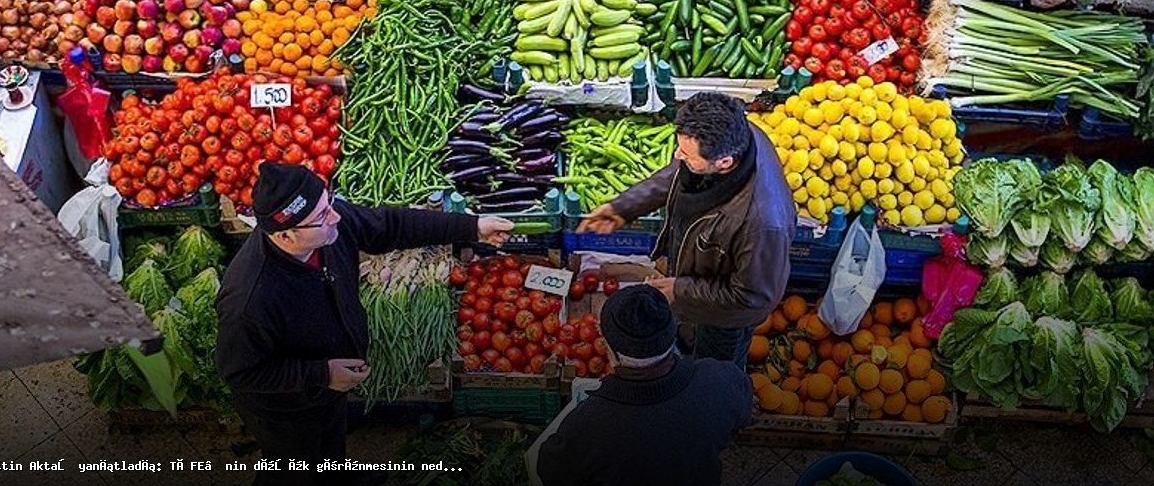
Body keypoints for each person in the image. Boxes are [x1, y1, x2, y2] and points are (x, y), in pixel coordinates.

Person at [216, 162, 513, 483]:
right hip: (288, 408)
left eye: (329, 203)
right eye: (322, 216)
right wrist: (322, 374)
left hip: (328, 391)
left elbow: (389, 225)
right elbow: (239, 370)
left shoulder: (325, 227)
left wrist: (472, 227)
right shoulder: (250, 298)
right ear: (286, 235)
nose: (336, 217)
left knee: (328, 452)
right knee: (297, 466)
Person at [578, 92, 795, 365]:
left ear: (724, 162)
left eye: (687, 154)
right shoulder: (736, 134)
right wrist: (624, 207)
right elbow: (680, 173)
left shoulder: (762, 224)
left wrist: (680, 289)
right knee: (690, 337)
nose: (677, 155)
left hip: (725, 317)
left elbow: (752, 298)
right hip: (700, 275)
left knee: (714, 368)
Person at [532, 285, 752, 486]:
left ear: (609, 347)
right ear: (671, 334)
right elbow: (742, 415)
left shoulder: (587, 425)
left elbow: (550, 471)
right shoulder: (722, 380)